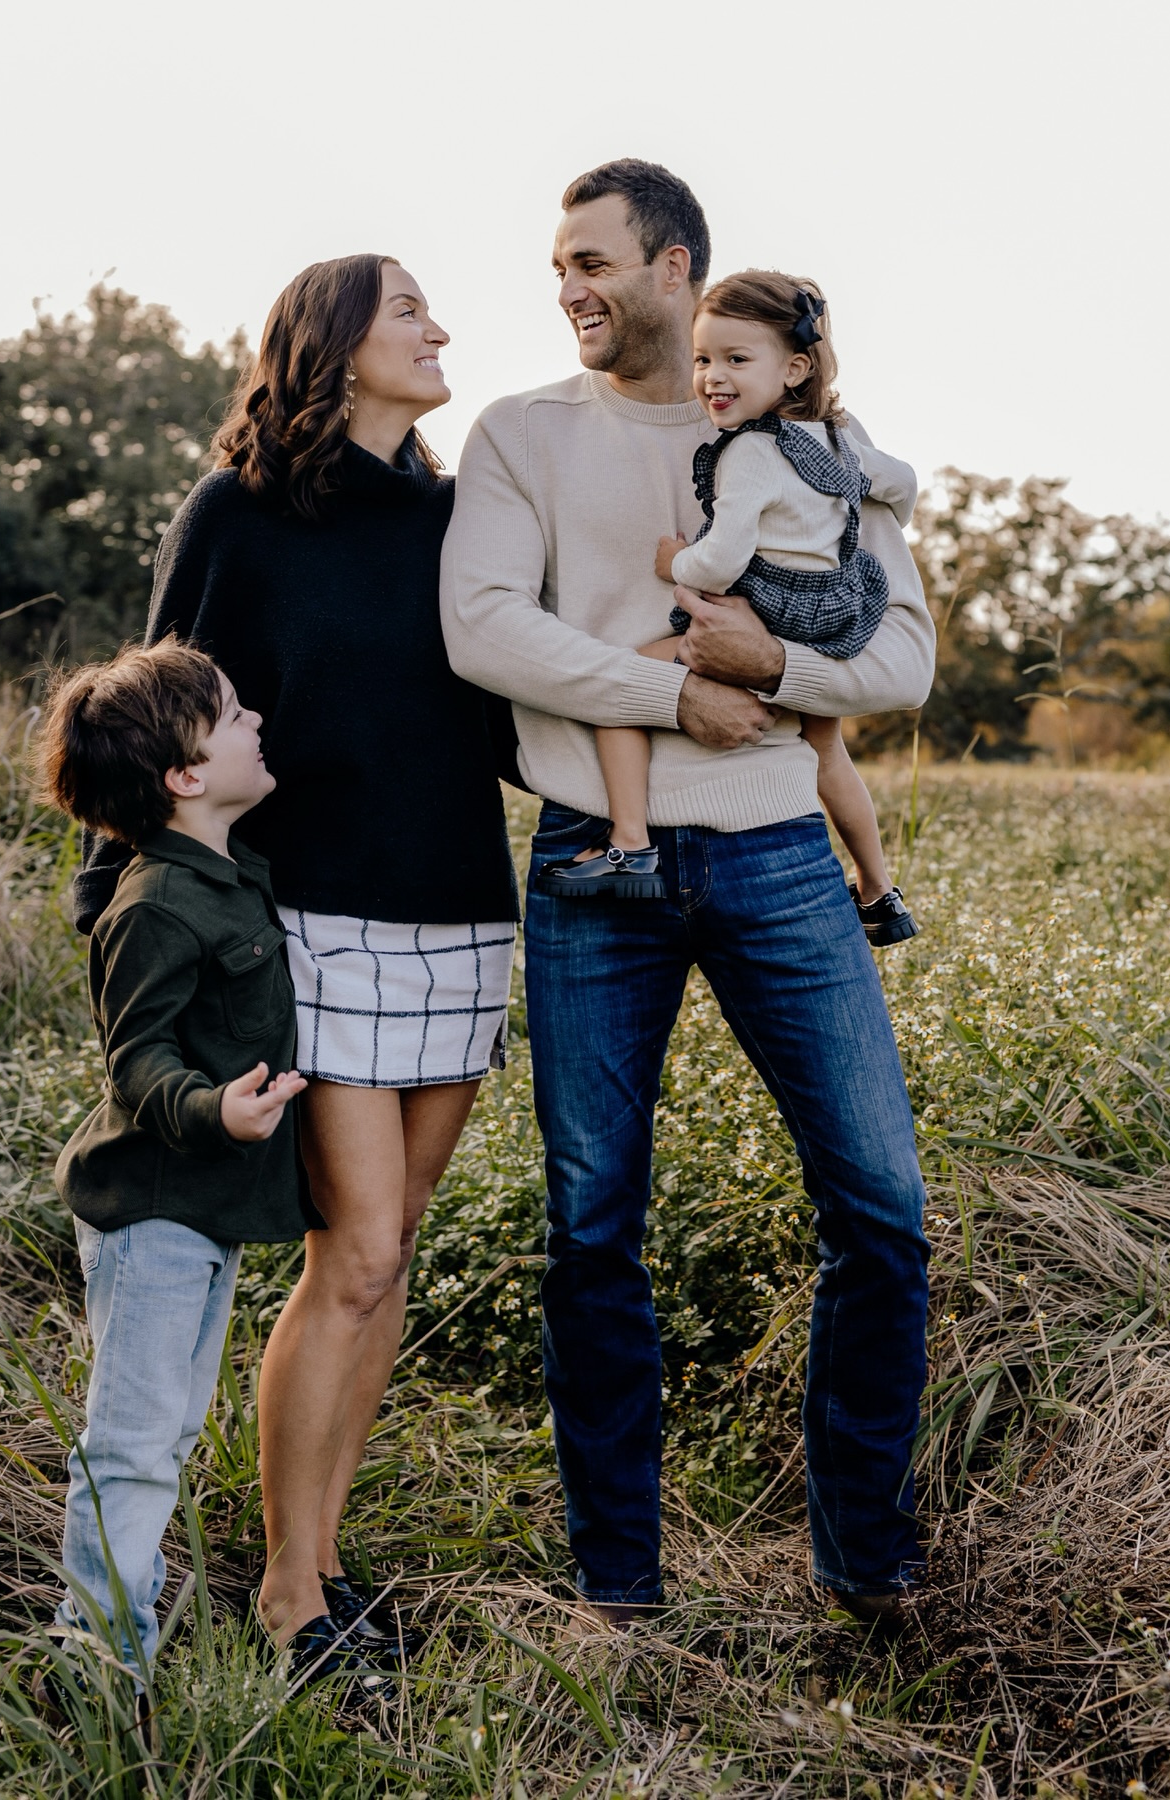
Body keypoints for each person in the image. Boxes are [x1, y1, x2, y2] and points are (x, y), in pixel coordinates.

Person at [441, 160, 934, 1628]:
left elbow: (903, 665)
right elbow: (486, 631)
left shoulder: (813, 440)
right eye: (555, 269)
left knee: (885, 1210)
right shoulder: (521, 433)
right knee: (592, 1227)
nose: (569, 291)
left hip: (782, 853)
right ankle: (623, 1591)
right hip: (597, 858)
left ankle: (862, 1559)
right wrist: (674, 695)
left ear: (675, 269)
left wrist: (764, 670)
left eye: (592, 262)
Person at [71, 255, 519, 1672]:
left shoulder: (463, 520)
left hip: (464, 915)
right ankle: (285, 1597)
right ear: (332, 343)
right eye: (407, 310)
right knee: (360, 1248)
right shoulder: (239, 515)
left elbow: (509, 712)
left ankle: (320, 1563)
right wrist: (111, 906)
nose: (439, 328)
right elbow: (159, 710)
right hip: (310, 923)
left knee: (383, 1265)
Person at [36, 639, 312, 1711]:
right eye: (235, 715)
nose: (256, 724)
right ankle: (98, 1671)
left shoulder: (230, 872)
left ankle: (113, 1641)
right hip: (153, 1215)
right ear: (186, 776)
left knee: (166, 1436)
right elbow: (137, 1058)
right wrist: (216, 1109)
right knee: (133, 1448)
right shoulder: (154, 904)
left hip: (202, 1217)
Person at [539, 268, 920, 949]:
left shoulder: (750, 451)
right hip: (833, 615)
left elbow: (721, 560)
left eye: (736, 360)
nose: (713, 377)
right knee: (827, 749)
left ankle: (629, 844)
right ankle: (878, 886)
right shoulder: (837, 441)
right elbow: (905, 483)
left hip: (766, 612)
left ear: (796, 367)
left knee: (622, 685)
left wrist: (675, 564)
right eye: (704, 359)